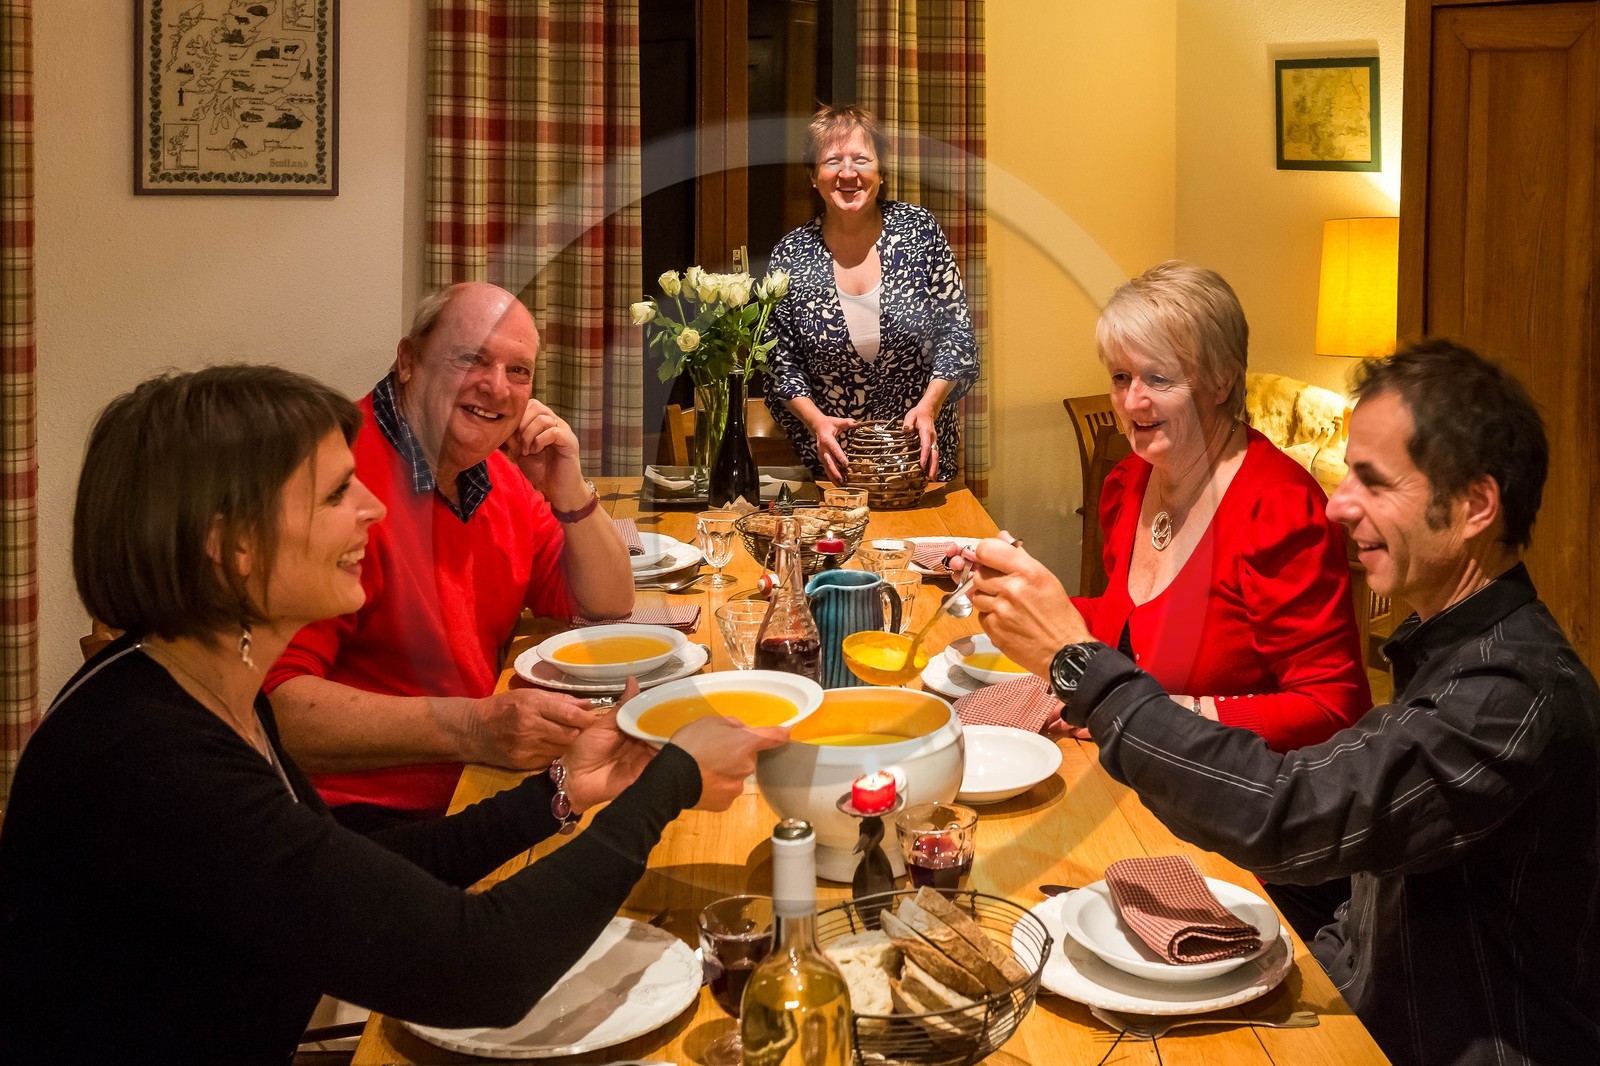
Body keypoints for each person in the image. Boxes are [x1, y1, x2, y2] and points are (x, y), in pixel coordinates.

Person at [0, 366, 787, 1066]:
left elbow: (365, 874)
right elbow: (480, 968)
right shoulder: (149, 761)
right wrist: (673, 779)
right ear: (234, 549)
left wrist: (566, 789)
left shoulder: (202, 687)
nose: (375, 507)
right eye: (339, 493)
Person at [966, 340, 1600, 1065]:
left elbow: (1289, 813)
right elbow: (1355, 867)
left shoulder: (1511, 697)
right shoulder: (1450, 652)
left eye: (1374, 481)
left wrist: (1080, 665)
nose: (1337, 505)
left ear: (1475, 505)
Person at [1070, 262, 1371, 937]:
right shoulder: (1129, 481)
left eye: (1158, 379)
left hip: (1253, 845)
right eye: (1121, 378)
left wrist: (1172, 715)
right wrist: (1022, 601)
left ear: (1221, 379)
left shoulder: (1279, 507)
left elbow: (1333, 708)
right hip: (1147, 799)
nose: (1132, 403)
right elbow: (1124, 628)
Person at [266, 282, 636, 829]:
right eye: (471, 359)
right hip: (358, 820)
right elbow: (275, 709)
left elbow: (606, 602)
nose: (497, 388)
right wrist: (475, 727)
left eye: (519, 371)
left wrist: (571, 489)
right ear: (409, 361)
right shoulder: (333, 479)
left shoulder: (495, 474)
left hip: (479, 782)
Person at [763, 104, 979, 484]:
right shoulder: (792, 255)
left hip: (920, 467)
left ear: (880, 171)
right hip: (837, 474)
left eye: (861, 159)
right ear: (814, 176)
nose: (848, 173)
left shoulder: (919, 231)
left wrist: (929, 407)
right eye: (832, 161)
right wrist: (817, 422)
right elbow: (781, 365)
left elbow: (957, 337)